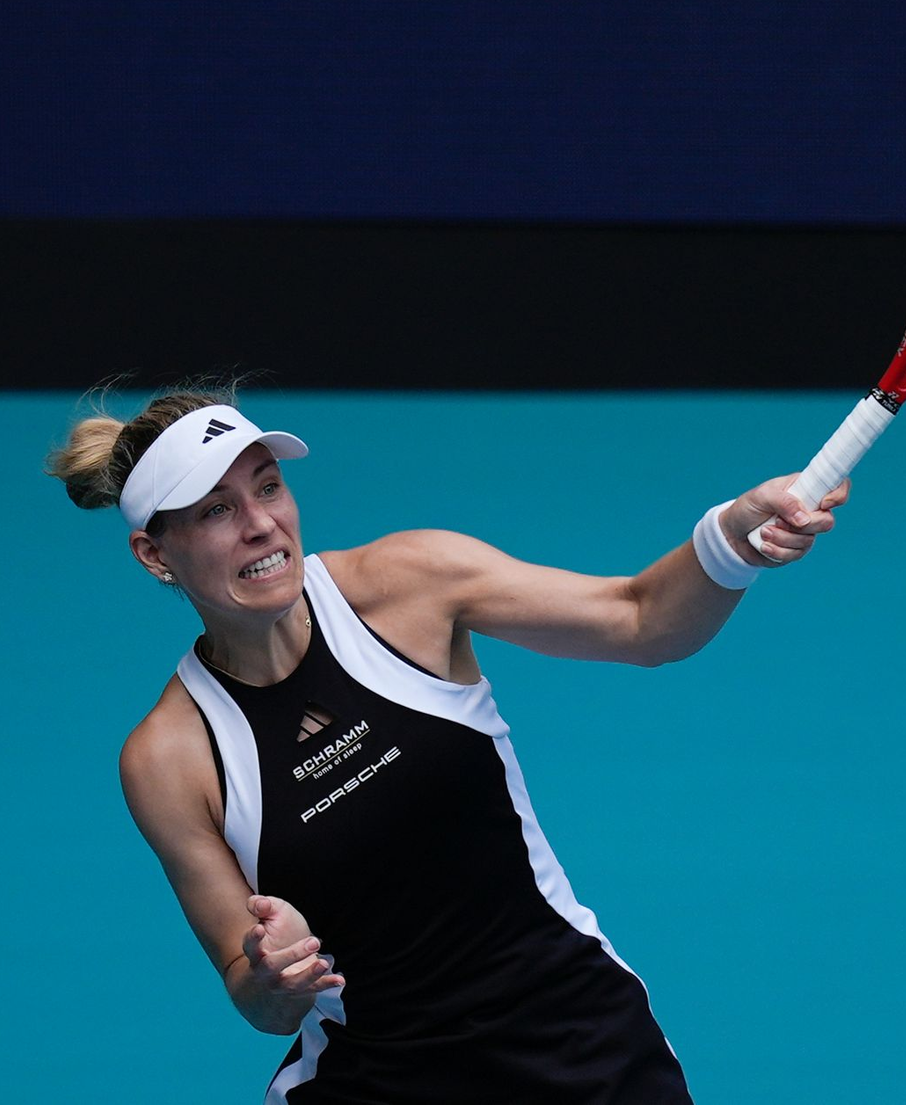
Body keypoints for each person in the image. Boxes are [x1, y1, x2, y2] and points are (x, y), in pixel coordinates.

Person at [48, 385, 848, 1104]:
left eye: (267, 486)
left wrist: (731, 537)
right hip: (380, 1080)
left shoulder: (409, 583)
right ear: (156, 554)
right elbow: (252, 992)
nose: (262, 522)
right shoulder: (168, 757)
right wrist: (271, 972)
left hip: (580, 1045)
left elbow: (641, 618)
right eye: (216, 509)